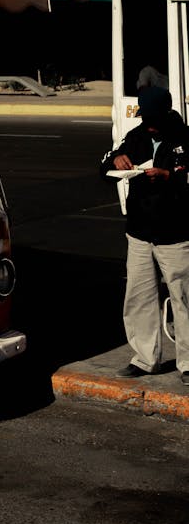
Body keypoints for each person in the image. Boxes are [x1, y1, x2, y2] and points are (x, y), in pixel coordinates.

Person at [100, 85, 189, 385]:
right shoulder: (136, 136)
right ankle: (144, 358)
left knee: (183, 298)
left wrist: (170, 176)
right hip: (139, 233)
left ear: (166, 113)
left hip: (175, 234)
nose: (149, 123)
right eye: (145, 117)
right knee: (138, 297)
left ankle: (188, 363)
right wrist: (115, 162)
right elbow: (104, 164)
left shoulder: (183, 137)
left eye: (153, 118)